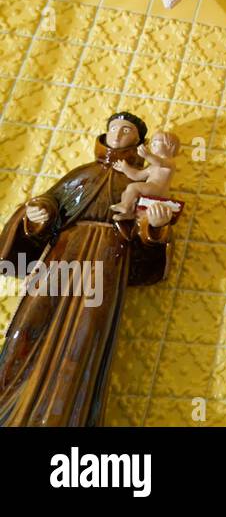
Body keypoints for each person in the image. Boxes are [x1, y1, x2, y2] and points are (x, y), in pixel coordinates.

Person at [0, 112, 178, 426]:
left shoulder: (142, 179)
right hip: (63, 254)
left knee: (87, 333)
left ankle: (65, 416)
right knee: (29, 322)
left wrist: (156, 228)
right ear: (105, 133)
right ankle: (9, 407)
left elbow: (145, 233)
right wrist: (38, 213)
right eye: (114, 128)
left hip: (107, 260)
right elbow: (53, 203)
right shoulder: (83, 173)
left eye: (127, 131)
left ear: (138, 142)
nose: (120, 134)